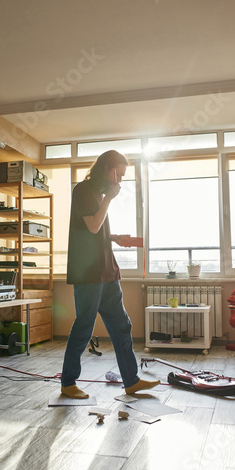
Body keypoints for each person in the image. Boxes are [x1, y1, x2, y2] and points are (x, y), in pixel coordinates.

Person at [61, 150, 160, 399]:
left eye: (123, 176)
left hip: (107, 272)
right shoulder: (83, 190)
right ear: (105, 168)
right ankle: (68, 382)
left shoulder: (99, 194)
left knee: (122, 326)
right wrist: (109, 200)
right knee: (84, 326)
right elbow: (93, 226)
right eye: (118, 174)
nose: (119, 181)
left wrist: (114, 237)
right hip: (89, 274)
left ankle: (131, 380)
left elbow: (94, 229)